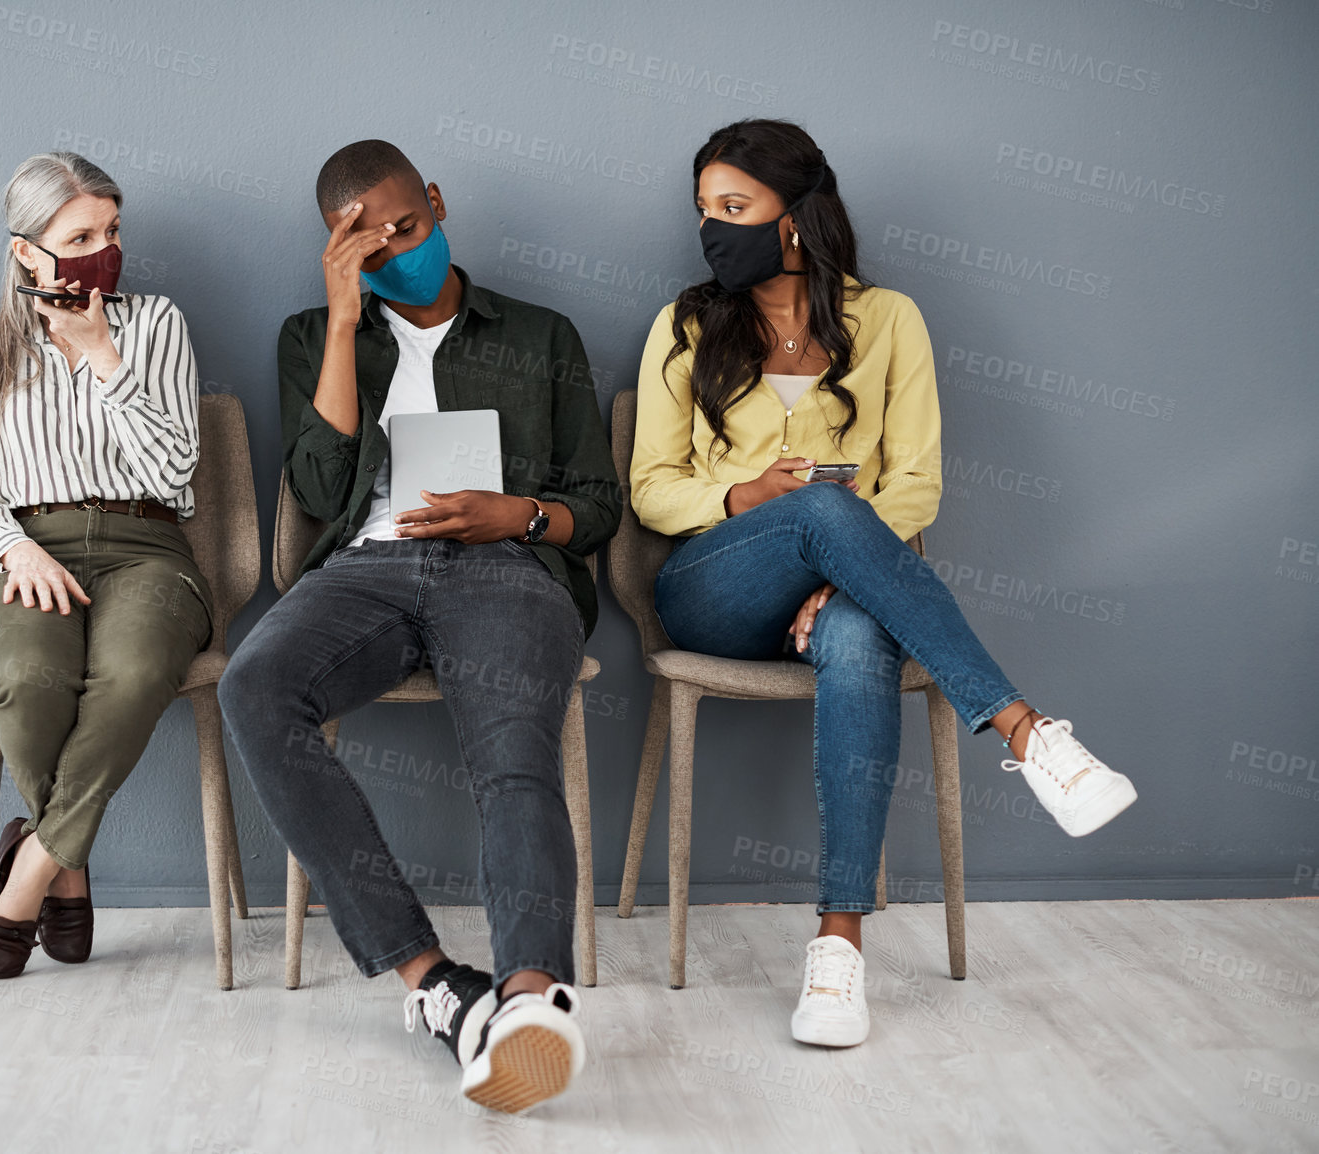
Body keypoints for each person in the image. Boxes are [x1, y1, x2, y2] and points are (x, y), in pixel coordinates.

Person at [630, 119, 1138, 1048]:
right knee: (822, 509)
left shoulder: (890, 320)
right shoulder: (686, 324)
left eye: (734, 208)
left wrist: (840, 571)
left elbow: (917, 483)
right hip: (716, 589)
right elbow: (653, 492)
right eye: (704, 210)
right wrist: (751, 495)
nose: (712, 228)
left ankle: (839, 949)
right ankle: (1027, 732)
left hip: (843, 591)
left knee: (861, 632)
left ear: (795, 218)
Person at [218, 140, 622, 1113]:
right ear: (336, 248)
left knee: (512, 753)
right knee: (254, 685)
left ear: (435, 203)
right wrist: (350, 315)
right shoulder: (314, 335)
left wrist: (512, 513)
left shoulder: (539, 334)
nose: (397, 247)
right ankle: (437, 984)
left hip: (506, 566)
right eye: (367, 241)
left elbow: (596, 506)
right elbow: (316, 490)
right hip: (364, 569)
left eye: (406, 225)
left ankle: (530, 996)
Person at [0, 152, 213, 980]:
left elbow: (175, 473)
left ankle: (33, 866)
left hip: (148, 546)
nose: (106, 247)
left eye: (113, 230)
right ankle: (73, 863)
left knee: (133, 674)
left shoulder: (156, 324)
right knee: (30, 675)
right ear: (28, 250)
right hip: (20, 549)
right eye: (81, 234)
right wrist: (15, 549)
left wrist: (106, 360)